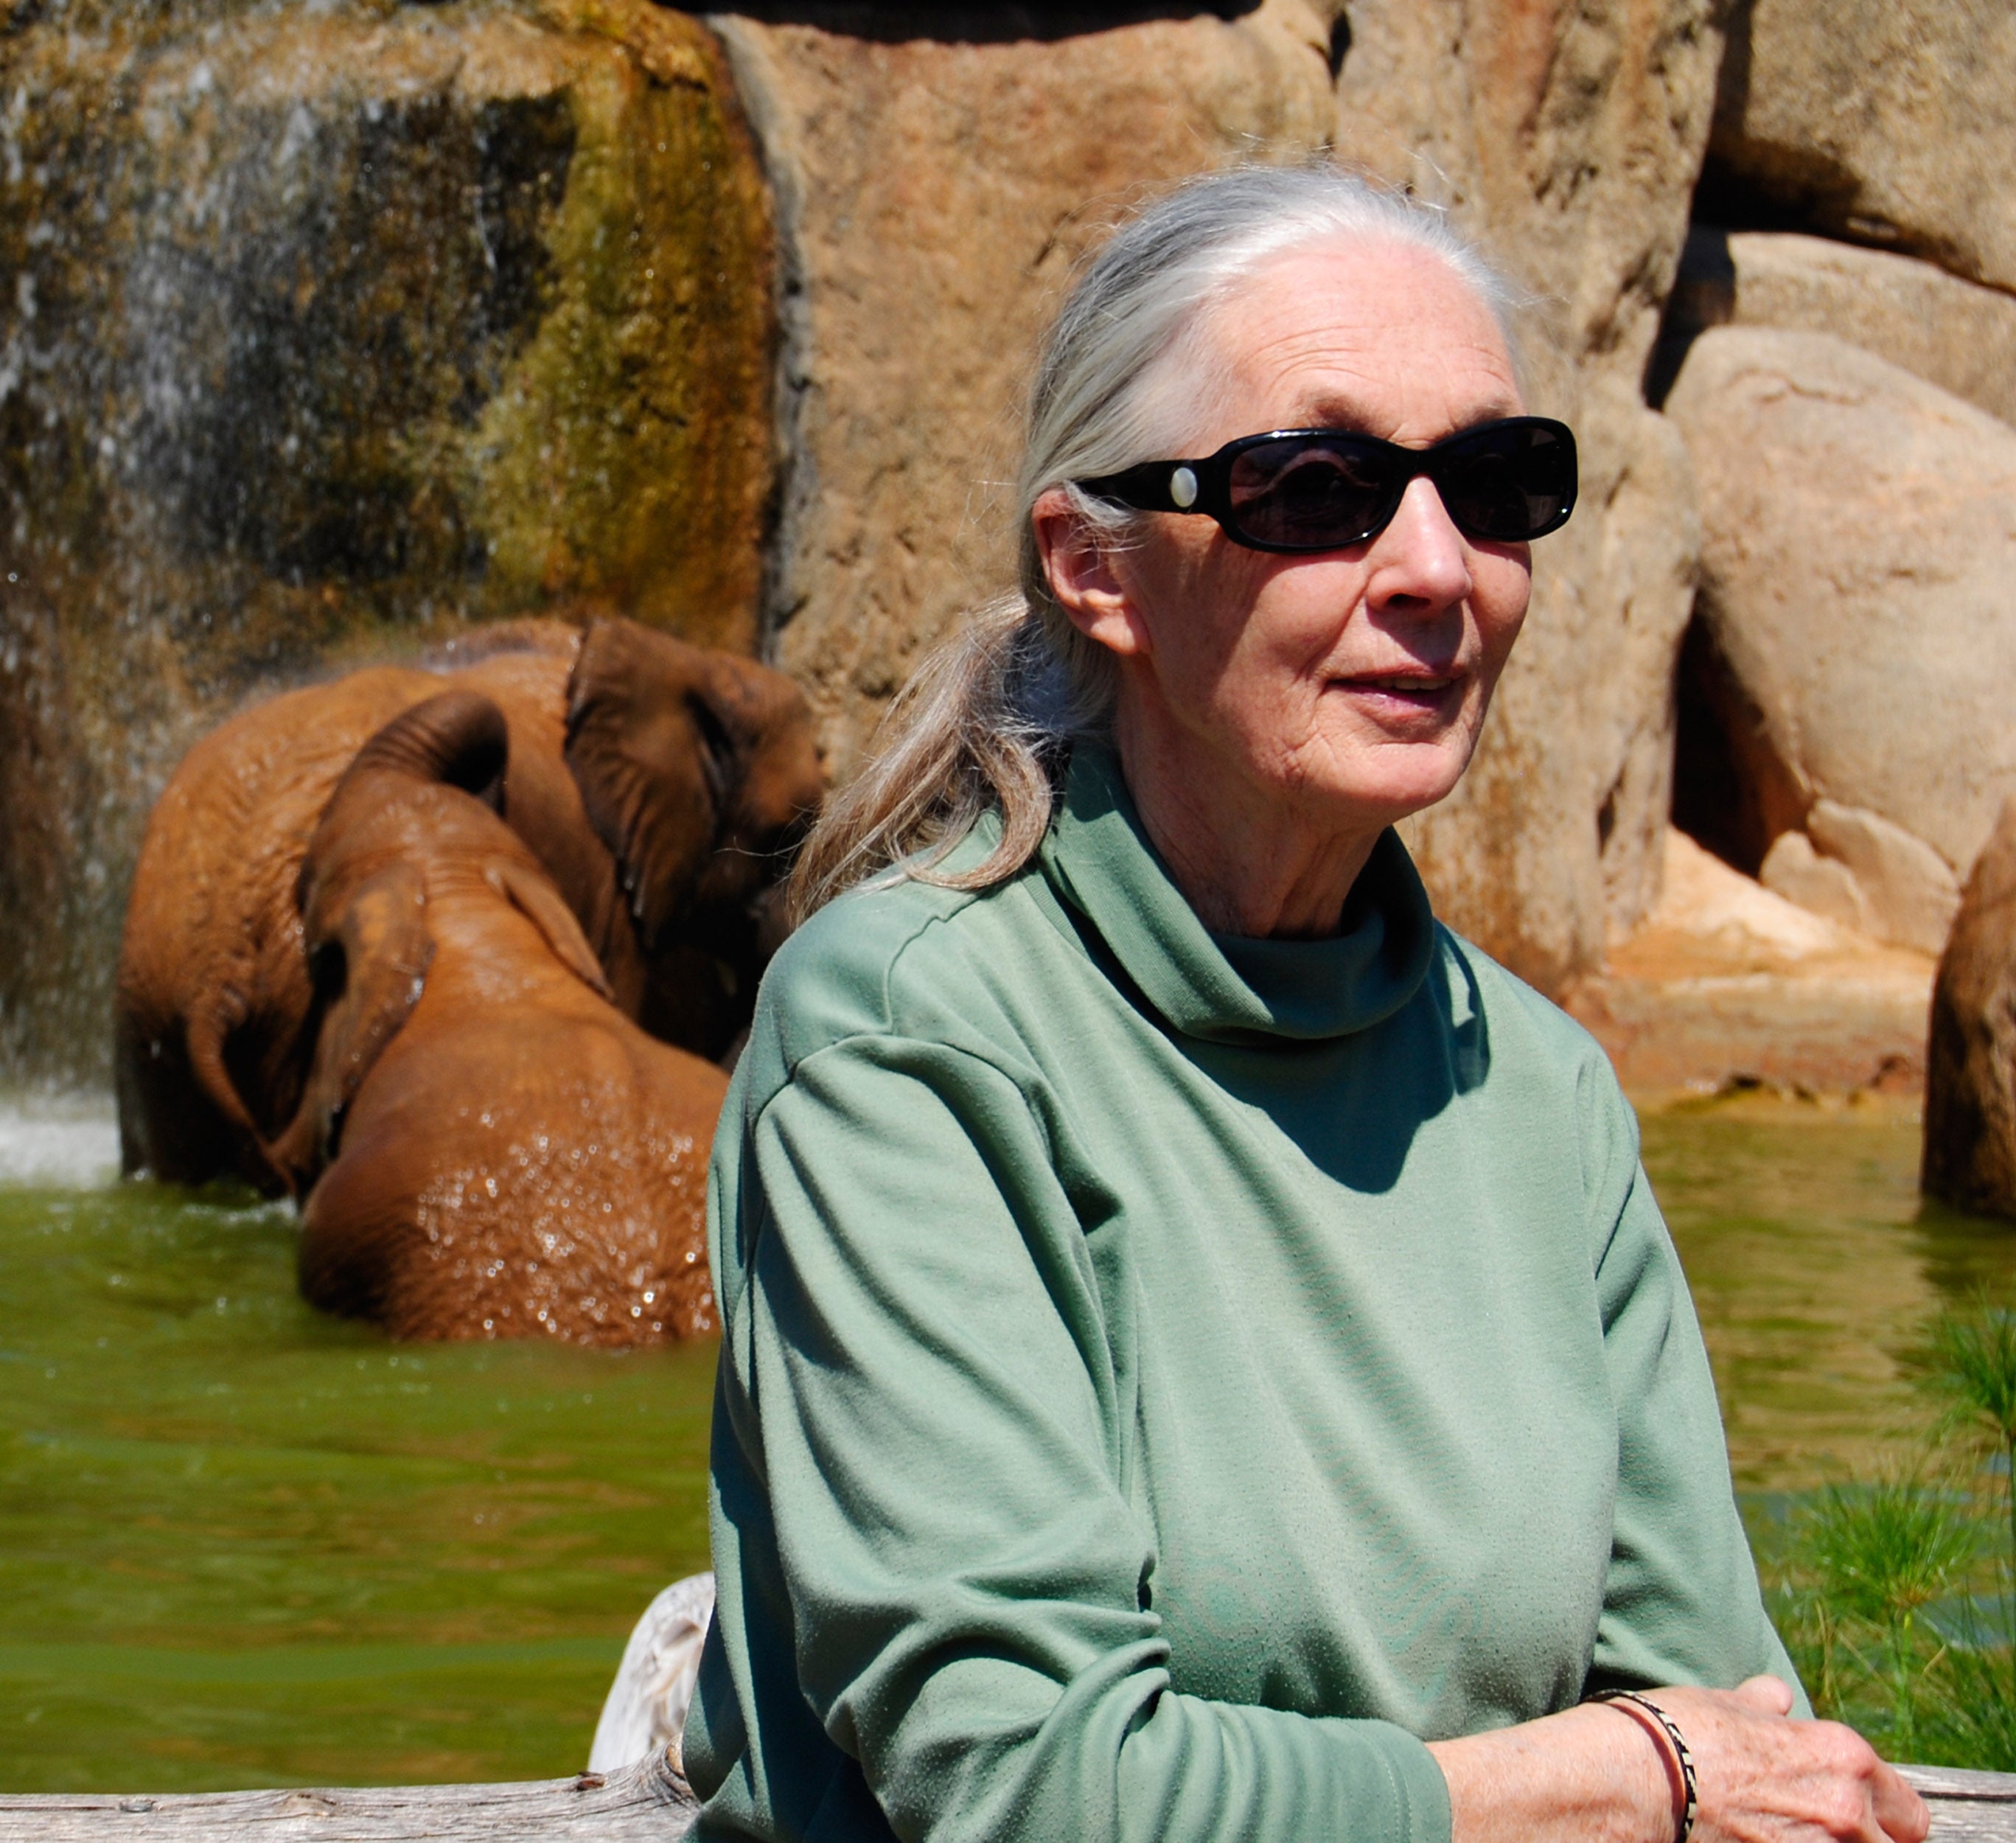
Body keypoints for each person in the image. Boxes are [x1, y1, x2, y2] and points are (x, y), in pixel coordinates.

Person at [683, 166, 1929, 1843]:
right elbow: (1032, 1787)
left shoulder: (1540, 1088)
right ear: (1095, 565)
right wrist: (1624, 1777)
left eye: (1493, 482)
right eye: (1316, 489)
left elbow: (1725, 1718)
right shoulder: (905, 1037)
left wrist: (1671, 1766)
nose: (1436, 566)